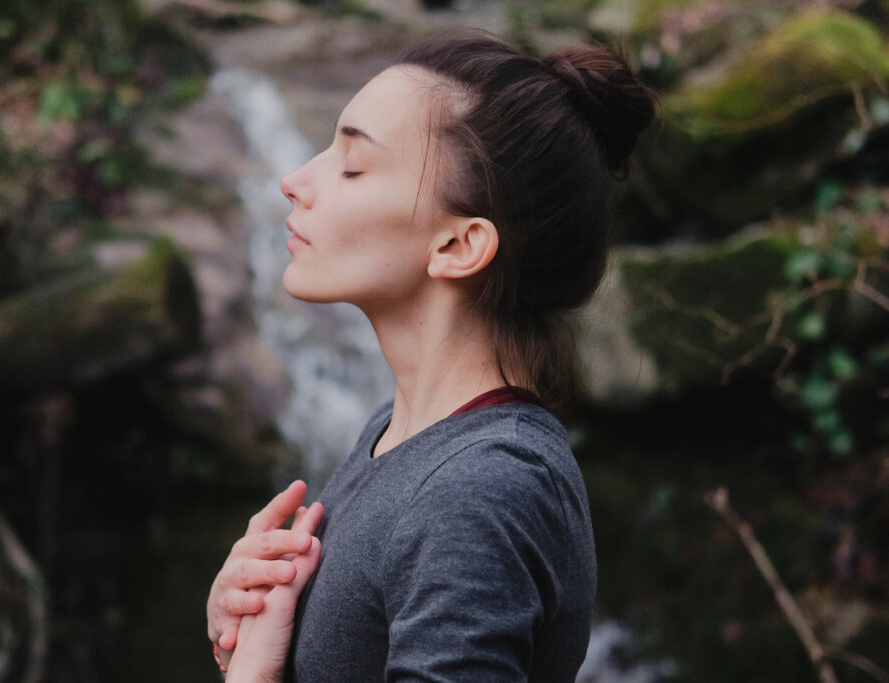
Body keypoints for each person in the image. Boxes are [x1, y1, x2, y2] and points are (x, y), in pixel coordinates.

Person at [207, 30, 656, 682]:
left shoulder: (484, 486)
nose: (294, 179)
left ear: (458, 246)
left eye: (353, 165)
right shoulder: (397, 437)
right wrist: (247, 635)